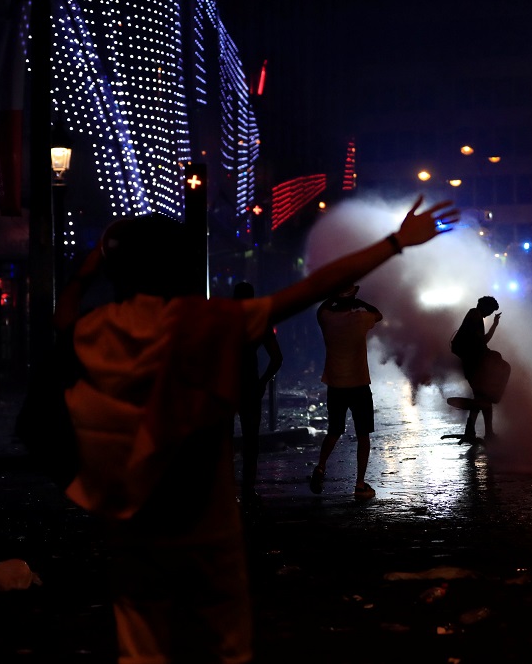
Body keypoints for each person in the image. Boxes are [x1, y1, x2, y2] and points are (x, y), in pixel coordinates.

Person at [51, 195, 459, 664]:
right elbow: (309, 289)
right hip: (207, 531)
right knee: (226, 648)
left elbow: (63, 321)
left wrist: (85, 273)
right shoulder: (207, 322)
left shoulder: (96, 331)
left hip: (133, 529)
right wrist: (395, 242)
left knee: (142, 648)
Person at [308, 285, 382, 501]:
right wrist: (361, 304)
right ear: (353, 300)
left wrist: (332, 297)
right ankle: (360, 484)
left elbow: (321, 310)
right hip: (358, 384)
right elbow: (378, 314)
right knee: (363, 435)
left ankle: (321, 467)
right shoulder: (360, 319)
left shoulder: (327, 318)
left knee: (334, 430)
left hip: (335, 384)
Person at [233, 281, 283, 506]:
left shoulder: (224, 322)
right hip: (250, 385)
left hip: (226, 385)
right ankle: (247, 490)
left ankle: (225, 491)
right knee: (251, 441)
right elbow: (277, 357)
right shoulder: (258, 323)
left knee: (223, 441)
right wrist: (263, 382)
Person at [450, 295, 504, 441]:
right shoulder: (474, 314)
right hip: (472, 364)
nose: (490, 314)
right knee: (482, 398)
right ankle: (477, 432)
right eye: (490, 310)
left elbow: (482, 341)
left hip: (474, 363)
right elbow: (480, 341)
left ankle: (480, 432)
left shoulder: (477, 316)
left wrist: (494, 324)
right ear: (484, 306)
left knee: (482, 398)